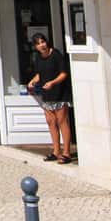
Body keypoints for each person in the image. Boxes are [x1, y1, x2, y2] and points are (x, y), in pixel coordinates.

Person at [27, 33, 73, 164]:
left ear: (47, 42)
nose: (42, 45)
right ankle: (56, 151)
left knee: (62, 121)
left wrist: (53, 82)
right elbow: (40, 75)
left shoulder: (56, 55)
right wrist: (32, 81)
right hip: (46, 94)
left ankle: (66, 153)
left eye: (43, 42)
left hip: (59, 93)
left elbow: (64, 73)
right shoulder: (38, 58)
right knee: (51, 122)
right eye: (38, 43)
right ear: (35, 47)